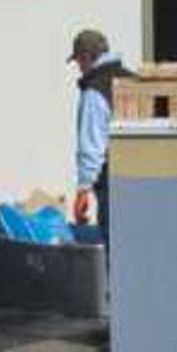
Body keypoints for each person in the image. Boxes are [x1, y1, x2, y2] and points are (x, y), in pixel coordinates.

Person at [69, 28, 125, 240]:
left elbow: (92, 145)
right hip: (143, 178)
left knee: (112, 245)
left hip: (111, 181)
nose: (79, 68)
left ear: (87, 57)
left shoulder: (94, 91)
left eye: (78, 62)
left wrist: (83, 189)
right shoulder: (129, 80)